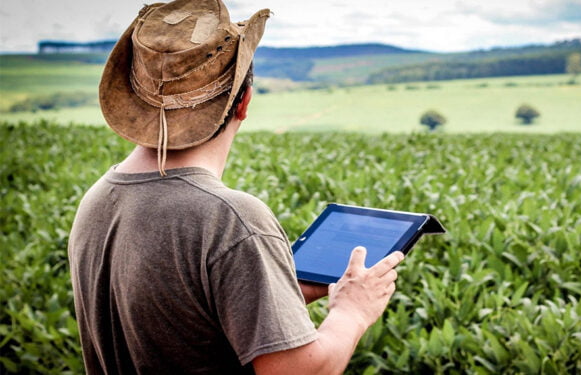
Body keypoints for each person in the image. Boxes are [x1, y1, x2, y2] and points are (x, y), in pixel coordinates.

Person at [67, 0, 403, 373]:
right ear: (243, 101)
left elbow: (183, 313)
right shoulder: (229, 218)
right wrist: (352, 311)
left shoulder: (99, 197)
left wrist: (283, 292)